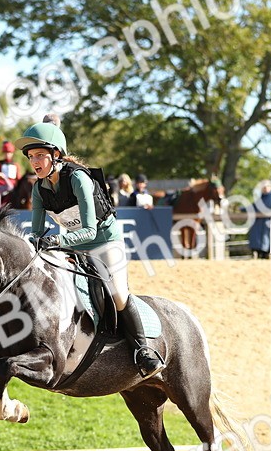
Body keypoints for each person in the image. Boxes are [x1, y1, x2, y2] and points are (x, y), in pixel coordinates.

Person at [15, 120, 165, 378]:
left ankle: (143, 350)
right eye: (31, 157)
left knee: (117, 292)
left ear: (56, 155)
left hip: (104, 241)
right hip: (75, 244)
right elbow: (37, 232)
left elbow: (91, 231)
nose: (35, 162)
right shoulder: (39, 189)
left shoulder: (78, 179)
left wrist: (58, 241)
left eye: (40, 155)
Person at [248, 180, 271, 259]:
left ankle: (265, 253)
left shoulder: (270, 197)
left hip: (266, 221)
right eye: (263, 187)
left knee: (265, 238)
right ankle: (260, 252)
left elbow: (260, 207)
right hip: (260, 221)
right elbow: (254, 206)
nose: (265, 189)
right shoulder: (262, 198)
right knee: (258, 238)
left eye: (266, 187)